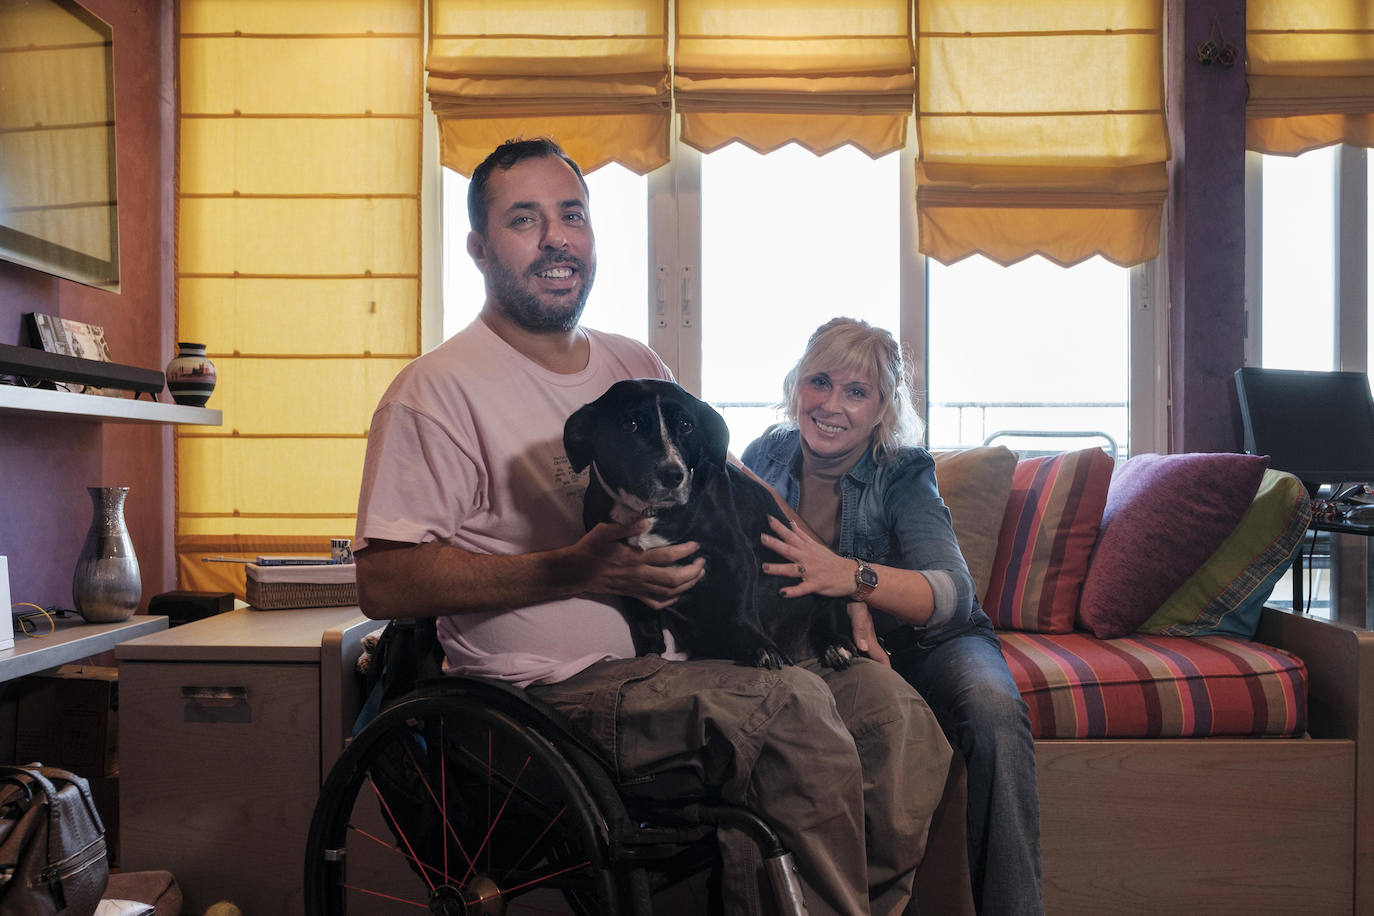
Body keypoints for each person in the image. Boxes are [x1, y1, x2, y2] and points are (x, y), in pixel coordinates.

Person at [353, 138, 952, 916]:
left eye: (571, 215)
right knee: (790, 710)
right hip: (545, 695)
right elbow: (384, 580)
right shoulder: (435, 390)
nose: (556, 238)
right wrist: (573, 570)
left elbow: (729, 487)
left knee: (893, 712)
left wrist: (836, 583)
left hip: (684, 658)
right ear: (477, 247)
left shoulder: (631, 361)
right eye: (523, 220)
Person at [740, 318, 1045, 916]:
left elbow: (953, 594)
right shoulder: (766, 454)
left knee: (993, 710)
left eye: (856, 392)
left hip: (930, 642)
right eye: (819, 382)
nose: (831, 405)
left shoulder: (903, 470)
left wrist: (848, 577)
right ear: (796, 385)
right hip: (826, 645)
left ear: (883, 408)